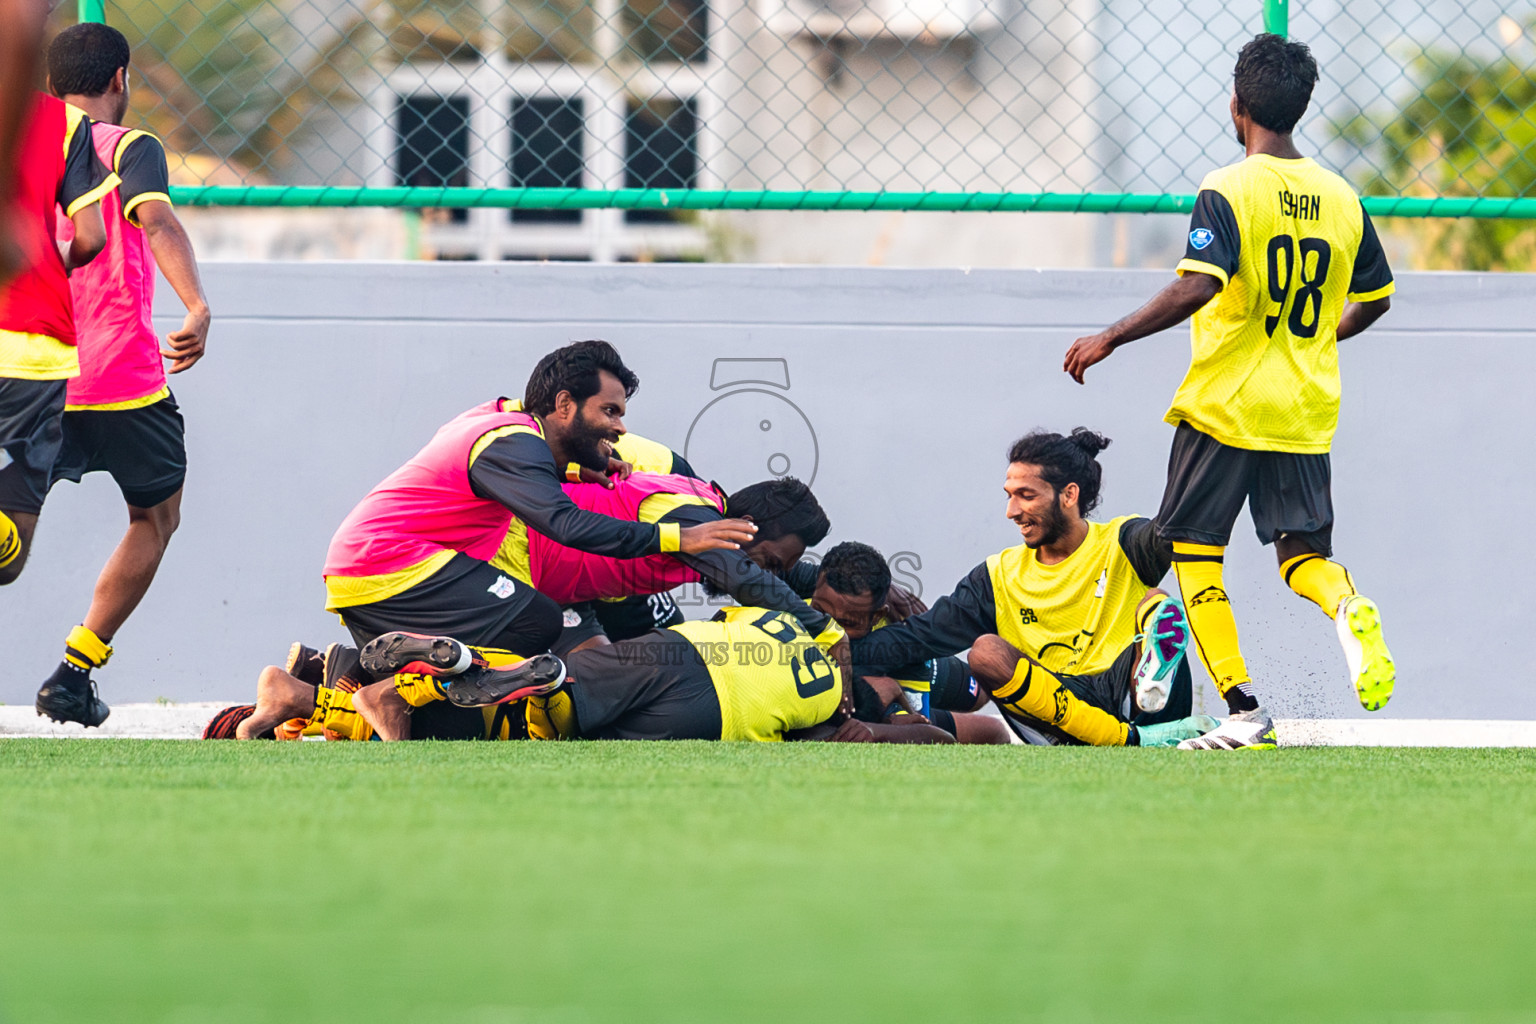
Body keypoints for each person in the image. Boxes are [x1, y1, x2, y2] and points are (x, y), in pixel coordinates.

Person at [1062, 34, 1396, 751]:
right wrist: (1313, 342)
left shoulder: (1229, 188)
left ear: (1237, 105)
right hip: (1303, 410)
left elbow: (1198, 284)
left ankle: (1244, 712)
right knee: (1302, 556)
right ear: (1301, 108)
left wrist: (1111, 337)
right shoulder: (1343, 198)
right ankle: (1346, 605)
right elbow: (1376, 299)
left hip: (1227, 404)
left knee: (1194, 554)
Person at [321, 340, 756, 660]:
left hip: (367, 569)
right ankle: (413, 678)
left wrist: (569, 468)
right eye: (610, 411)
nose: (621, 428)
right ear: (564, 404)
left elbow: (487, 471)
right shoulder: (511, 442)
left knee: (477, 690)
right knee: (538, 621)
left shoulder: (504, 420)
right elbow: (567, 524)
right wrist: (678, 538)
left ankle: (338, 673)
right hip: (390, 562)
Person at [33, 24, 212, 727]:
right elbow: (158, 222)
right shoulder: (129, 147)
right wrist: (196, 305)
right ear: (120, 80)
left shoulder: (21, 150)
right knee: (156, 515)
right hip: (118, 378)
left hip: (30, 372)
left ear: (49, 86)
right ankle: (75, 673)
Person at [850, 430, 1206, 747]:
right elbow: (916, 638)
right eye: (1009, 495)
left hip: (1133, 697)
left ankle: (1148, 705)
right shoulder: (997, 575)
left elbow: (1180, 523)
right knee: (986, 652)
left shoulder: (1126, 541)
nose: (1011, 511)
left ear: (1069, 495)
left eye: (1026, 495)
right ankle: (1131, 740)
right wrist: (826, 648)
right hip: (1055, 715)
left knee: (1157, 604)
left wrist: (1213, 443)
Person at [214, 608, 953, 745]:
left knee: (544, 706)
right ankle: (387, 685)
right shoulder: (832, 712)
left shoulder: (784, 627)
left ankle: (309, 692)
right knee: (542, 720)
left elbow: (715, 626)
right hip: (702, 708)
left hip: (671, 652)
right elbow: (884, 731)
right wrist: (922, 734)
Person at [1, 88, 117, 722]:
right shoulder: (66, 122)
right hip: (33, 345)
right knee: (9, 556)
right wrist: (53, 260)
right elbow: (94, 237)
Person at [806, 540, 1011, 744]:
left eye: (845, 623)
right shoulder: (795, 612)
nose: (830, 628)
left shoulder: (901, 643)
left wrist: (893, 701)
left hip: (914, 676)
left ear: (877, 616)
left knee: (983, 702)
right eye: (820, 612)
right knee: (992, 730)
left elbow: (923, 730)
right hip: (869, 696)